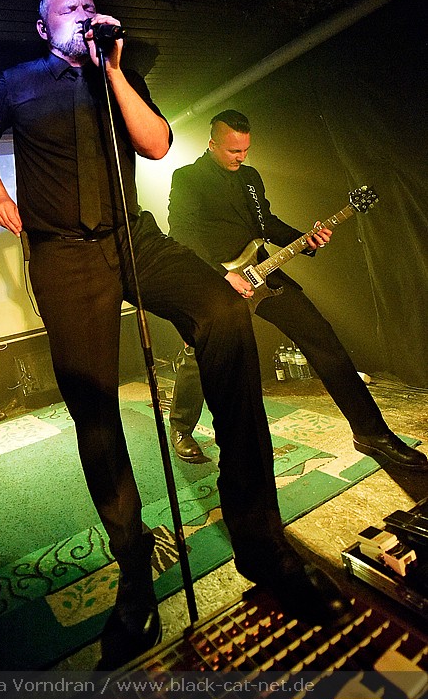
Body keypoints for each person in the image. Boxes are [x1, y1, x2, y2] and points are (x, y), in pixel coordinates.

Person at [0, 0, 354, 670]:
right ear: (43, 27)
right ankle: (133, 570)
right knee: (93, 403)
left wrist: (113, 71)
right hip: (63, 255)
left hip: (131, 237)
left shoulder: (120, 74)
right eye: (68, 9)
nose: (82, 14)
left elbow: (155, 145)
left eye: (88, 5)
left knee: (223, 313)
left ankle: (262, 546)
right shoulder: (15, 82)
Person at [167, 109, 428, 473]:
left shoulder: (250, 178)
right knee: (200, 354)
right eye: (233, 151)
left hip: (262, 273)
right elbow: (181, 233)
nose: (241, 157)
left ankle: (371, 432)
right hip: (216, 280)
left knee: (322, 337)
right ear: (212, 144)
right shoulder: (188, 178)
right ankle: (181, 427)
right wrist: (221, 275)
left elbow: (266, 224)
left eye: (246, 150)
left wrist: (305, 240)